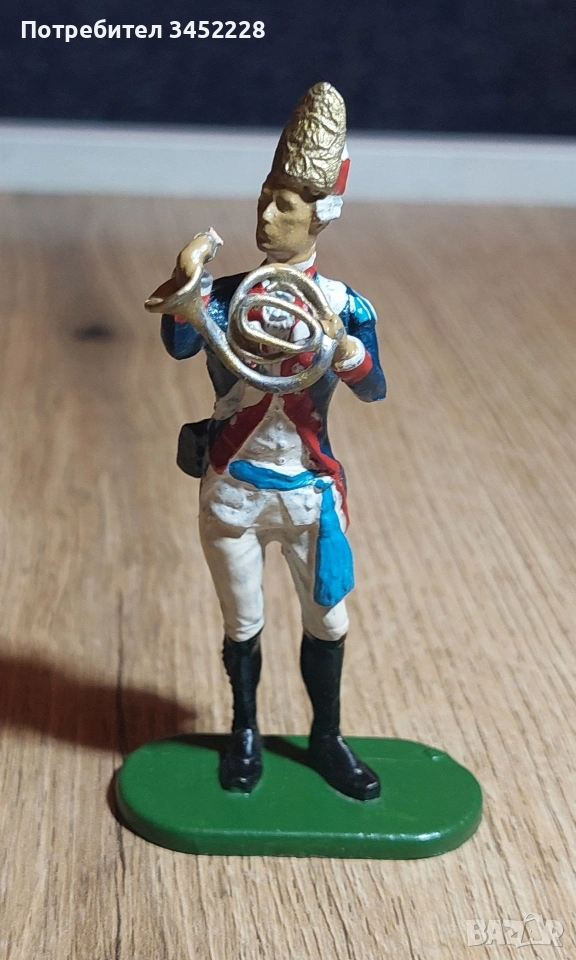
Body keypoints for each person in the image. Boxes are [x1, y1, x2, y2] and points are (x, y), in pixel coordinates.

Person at [159, 83, 386, 800]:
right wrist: (186, 283)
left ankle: (326, 736)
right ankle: (245, 730)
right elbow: (177, 340)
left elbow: (375, 388)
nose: (267, 215)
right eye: (265, 199)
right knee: (242, 621)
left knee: (329, 620)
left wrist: (347, 352)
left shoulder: (343, 305)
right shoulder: (227, 295)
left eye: (286, 204)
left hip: (310, 489)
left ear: (320, 215)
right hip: (234, 482)